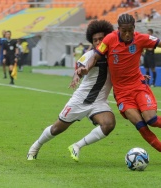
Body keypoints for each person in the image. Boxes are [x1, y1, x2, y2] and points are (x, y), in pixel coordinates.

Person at [75, 14, 161, 165]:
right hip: (122, 94)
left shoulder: (140, 38)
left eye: (130, 31)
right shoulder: (109, 40)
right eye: (124, 31)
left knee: (151, 119)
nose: (127, 34)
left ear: (134, 28)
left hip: (138, 87)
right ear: (118, 29)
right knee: (140, 125)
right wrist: (86, 68)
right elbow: (95, 56)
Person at [27, 20, 115, 162]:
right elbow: (81, 68)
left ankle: (77, 145)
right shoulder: (90, 55)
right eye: (95, 40)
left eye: (101, 39)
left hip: (99, 102)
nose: (98, 42)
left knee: (109, 124)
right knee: (57, 129)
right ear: (91, 42)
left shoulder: (114, 55)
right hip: (80, 100)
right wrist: (77, 74)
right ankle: (35, 147)